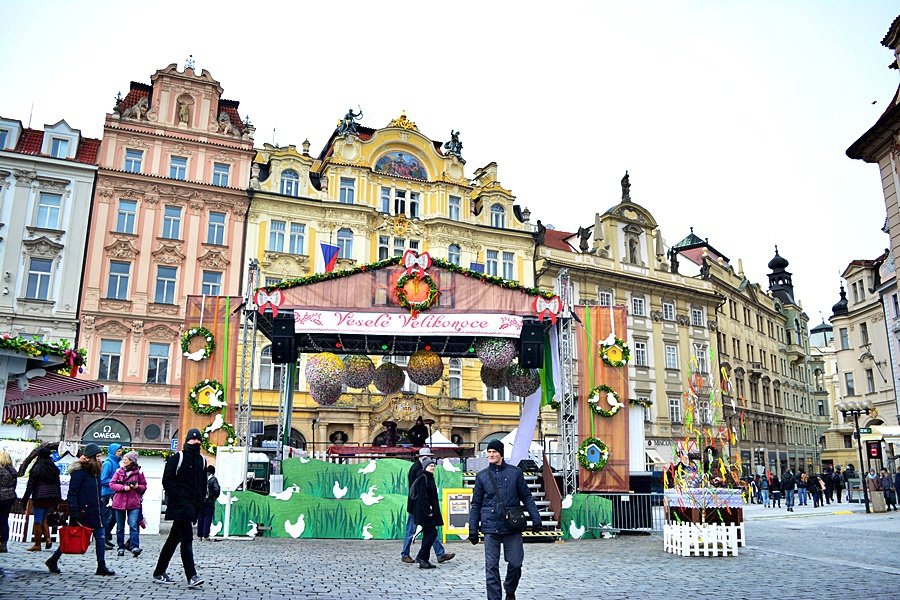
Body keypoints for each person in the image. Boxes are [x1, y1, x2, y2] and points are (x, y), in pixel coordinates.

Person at [469, 439, 542, 600]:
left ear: (501, 453)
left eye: (494, 452)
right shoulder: (482, 477)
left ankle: (510, 588)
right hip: (490, 526)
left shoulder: (515, 473)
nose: (491, 455)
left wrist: (536, 519)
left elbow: (527, 497)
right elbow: (476, 504)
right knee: (491, 566)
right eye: (489, 452)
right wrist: (473, 530)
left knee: (516, 563)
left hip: (512, 525)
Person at [45, 443, 115, 576]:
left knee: (100, 537)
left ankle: (101, 565)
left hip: (96, 511)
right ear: (91, 458)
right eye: (98, 456)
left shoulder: (95, 473)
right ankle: (53, 559)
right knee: (72, 537)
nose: (100, 459)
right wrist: (74, 511)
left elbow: (96, 492)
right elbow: (72, 493)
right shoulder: (79, 473)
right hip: (83, 511)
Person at [153, 429, 207, 588]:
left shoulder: (202, 461)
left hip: (192, 506)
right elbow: (167, 480)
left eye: (198, 441)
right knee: (187, 539)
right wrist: (178, 497)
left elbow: (202, 485)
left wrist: (199, 504)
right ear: (187, 441)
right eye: (193, 440)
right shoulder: (178, 458)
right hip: (180, 505)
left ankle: (159, 572)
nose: (196, 443)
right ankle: (192, 576)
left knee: (173, 540)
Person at [401, 448, 453, 564]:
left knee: (430, 530)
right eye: (427, 456)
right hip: (417, 506)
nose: (429, 459)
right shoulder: (417, 470)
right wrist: (425, 508)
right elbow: (418, 491)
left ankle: (439, 553)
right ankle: (405, 553)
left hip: (421, 506)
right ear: (420, 457)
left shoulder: (424, 469)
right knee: (412, 529)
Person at [22, 446, 61, 551]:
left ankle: (37, 544)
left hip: (40, 496)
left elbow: (30, 485)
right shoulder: (54, 468)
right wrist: (58, 498)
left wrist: (25, 499)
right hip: (52, 496)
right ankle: (48, 539)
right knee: (44, 518)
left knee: (37, 520)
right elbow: (58, 484)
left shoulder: (36, 468)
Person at [110, 451, 146, 557]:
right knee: (120, 527)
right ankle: (120, 547)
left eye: (126, 459)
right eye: (124, 458)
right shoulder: (119, 471)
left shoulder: (139, 472)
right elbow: (112, 484)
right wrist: (122, 487)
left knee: (133, 525)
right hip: (119, 502)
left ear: (132, 461)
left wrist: (137, 487)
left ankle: (134, 546)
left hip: (133, 502)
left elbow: (144, 486)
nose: (124, 460)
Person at [409, 458, 442, 569]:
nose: (432, 467)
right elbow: (422, 496)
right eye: (430, 466)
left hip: (428, 511)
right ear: (425, 467)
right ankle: (421, 557)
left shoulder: (428, 477)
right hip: (425, 512)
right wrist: (428, 511)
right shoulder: (423, 477)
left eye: (433, 466)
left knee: (428, 534)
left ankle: (424, 559)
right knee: (432, 533)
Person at [100, 443, 123, 550]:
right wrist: (117, 482)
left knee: (114, 517)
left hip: (114, 494)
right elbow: (103, 479)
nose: (120, 453)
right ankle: (102, 539)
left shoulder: (117, 463)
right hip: (107, 494)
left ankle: (106, 537)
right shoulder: (108, 463)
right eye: (118, 451)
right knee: (107, 517)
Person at [196, 465, 221, 541]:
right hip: (209, 501)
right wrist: (214, 497)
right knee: (208, 517)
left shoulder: (201, 478)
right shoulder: (213, 479)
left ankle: (199, 535)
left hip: (200, 501)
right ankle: (205, 535)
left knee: (200, 517)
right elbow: (217, 489)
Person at [0, 450, 18, 553]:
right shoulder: (12, 471)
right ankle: (4, 543)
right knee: (4, 519)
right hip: (10, 497)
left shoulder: (1, 471)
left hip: (1, 496)